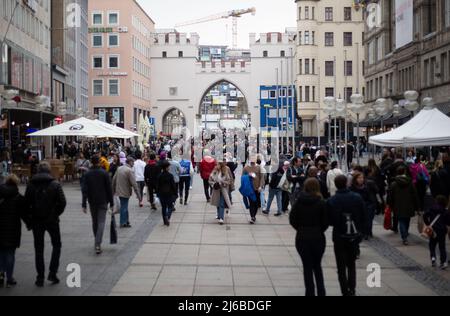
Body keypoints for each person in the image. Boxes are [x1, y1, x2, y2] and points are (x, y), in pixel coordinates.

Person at [25, 162, 67, 287]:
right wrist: (55, 214)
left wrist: (29, 219)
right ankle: (52, 273)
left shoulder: (31, 184)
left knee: (39, 249)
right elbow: (62, 202)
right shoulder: (55, 184)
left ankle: (40, 277)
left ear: (38, 171)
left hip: (37, 220)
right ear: (49, 171)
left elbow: (26, 204)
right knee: (57, 245)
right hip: (52, 221)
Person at [327, 175, 366, 297]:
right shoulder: (356, 197)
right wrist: (360, 230)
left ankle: (345, 291)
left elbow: (329, 220)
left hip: (339, 236)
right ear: (347, 184)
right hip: (353, 236)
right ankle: (352, 289)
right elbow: (363, 215)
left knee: (341, 266)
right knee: (351, 264)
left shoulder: (332, 200)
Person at [290, 178, 329, 297]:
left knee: (307, 266)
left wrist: (300, 228)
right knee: (317, 265)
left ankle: (310, 292)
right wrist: (319, 229)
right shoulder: (321, 202)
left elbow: (292, 219)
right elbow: (326, 221)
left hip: (302, 237)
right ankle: (321, 291)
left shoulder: (299, 202)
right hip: (318, 237)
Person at [82, 155, 114, 255]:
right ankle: (97, 243)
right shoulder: (104, 173)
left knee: (95, 222)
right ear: (99, 162)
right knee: (101, 222)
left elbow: (84, 190)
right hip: (103, 201)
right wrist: (112, 202)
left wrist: (84, 204)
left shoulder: (87, 174)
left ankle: (97, 241)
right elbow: (109, 189)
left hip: (92, 201)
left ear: (91, 162)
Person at [0, 175, 29, 288]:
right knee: (10, 254)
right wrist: (30, 224)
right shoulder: (18, 197)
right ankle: (10, 278)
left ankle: (1, 274)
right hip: (13, 229)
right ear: (16, 184)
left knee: (1, 253)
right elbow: (24, 214)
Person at [388, 166, 419, 245]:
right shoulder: (410, 182)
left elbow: (390, 196)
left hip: (398, 205)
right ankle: (405, 234)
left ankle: (404, 237)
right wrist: (417, 206)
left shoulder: (394, 184)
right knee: (407, 220)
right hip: (409, 205)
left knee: (401, 220)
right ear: (404, 172)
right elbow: (415, 195)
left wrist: (390, 205)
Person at [112, 156, 142, 228]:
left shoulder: (119, 168)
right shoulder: (129, 170)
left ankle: (126, 221)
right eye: (133, 162)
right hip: (125, 192)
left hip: (119, 191)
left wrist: (113, 190)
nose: (133, 164)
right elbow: (134, 184)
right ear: (130, 162)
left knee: (124, 206)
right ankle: (123, 222)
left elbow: (113, 180)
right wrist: (139, 196)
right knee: (124, 207)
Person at [424, 195, 449, 270]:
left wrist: (428, 224)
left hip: (433, 230)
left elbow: (425, 215)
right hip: (441, 231)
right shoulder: (445, 211)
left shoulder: (431, 209)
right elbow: (448, 222)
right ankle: (443, 262)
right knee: (442, 247)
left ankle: (433, 259)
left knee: (432, 245)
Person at [351, 172, 378, 240]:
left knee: (368, 221)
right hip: (357, 208)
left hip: (367, 206)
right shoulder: (352, 187)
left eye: (362, 178)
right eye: (359, 178)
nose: (361, 179)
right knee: (359, 221)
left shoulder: (366, 187)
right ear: (355, 179)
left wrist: (370, 205)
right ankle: (362, 232)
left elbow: (370, 198)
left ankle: (366, 233)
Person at [243, 156, 264, 224]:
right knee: (251, 203)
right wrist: (248, 175)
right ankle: (252, 217)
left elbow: (262, 177)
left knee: (256, 203)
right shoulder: (246, 168)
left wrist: (260, 186)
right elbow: (242, 177)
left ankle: (254, 215)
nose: (252, 162)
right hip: (249, 188)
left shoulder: (259, 167)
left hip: (257, 188)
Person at [157, 161, 177, 226]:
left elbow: (158, 185)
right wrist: (175, 193)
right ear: (166, 167)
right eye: (168, 167)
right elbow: (173, 185)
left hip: (161, 194)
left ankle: (164, 220)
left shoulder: (159, 176)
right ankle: (167, 216)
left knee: (163, 207)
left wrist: (158, 193)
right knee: (170, 206)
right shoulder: (170, 176)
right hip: (169, 193)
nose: (169, 168)